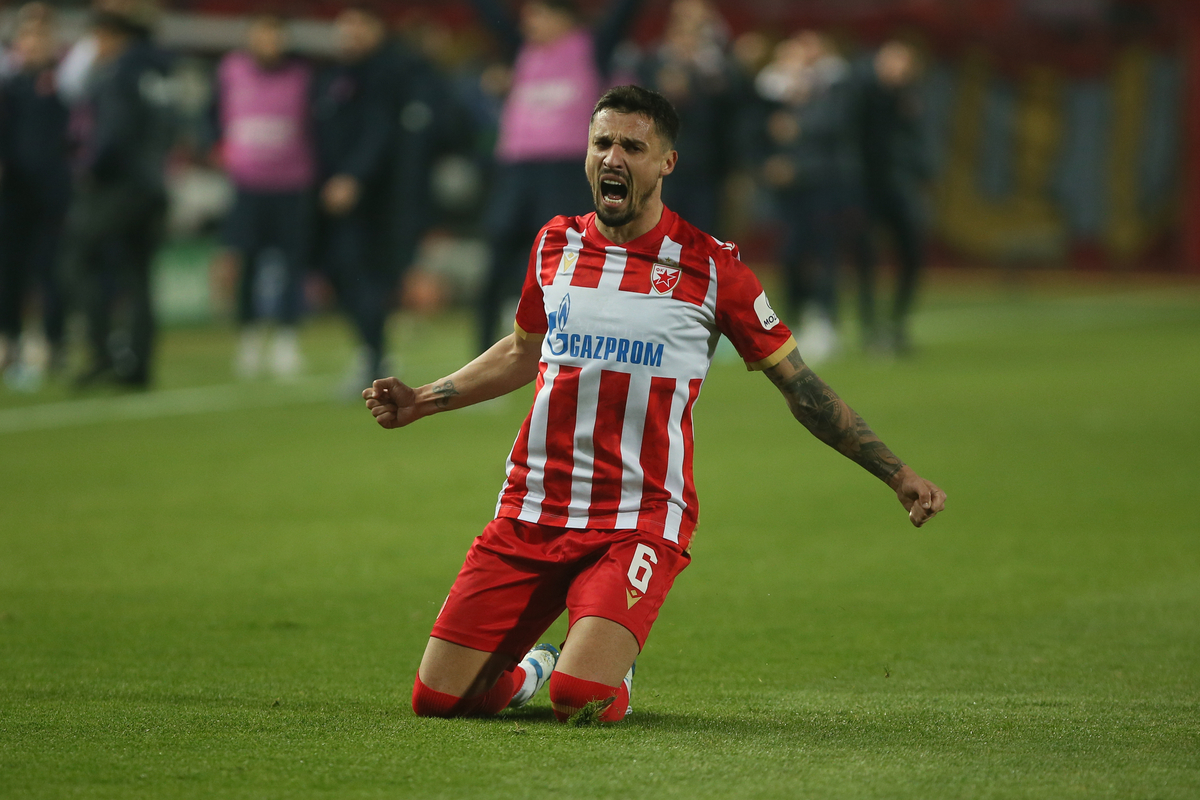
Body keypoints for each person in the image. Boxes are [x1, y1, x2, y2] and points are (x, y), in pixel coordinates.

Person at [362, 85, 946, 723]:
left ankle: (604, 666)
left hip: (639, 517)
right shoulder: (554, 245)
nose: (613, 158)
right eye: (602, 143)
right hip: (533, 507)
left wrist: (897, 473)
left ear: (666, 163)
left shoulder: (712, 267)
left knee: (581, 702)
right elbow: (522, 352)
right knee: (439, 701)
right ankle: (534, 667)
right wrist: (423, 399)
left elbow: (801, 389)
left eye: (632, 147)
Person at [468, 0, 645, 354]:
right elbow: (489, 15)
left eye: (538, 15)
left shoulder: (594, 47)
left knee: (565, 262)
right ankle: (484, 358)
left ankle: (579, 349)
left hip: (564, 171)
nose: (528, 23)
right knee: (497, 258)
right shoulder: (522, 51)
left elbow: (625, 13)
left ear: (563, 17)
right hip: (516, 169)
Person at [64, 9, 172, 388]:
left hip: (119, 188)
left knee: (78, 260)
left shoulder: (118, 73)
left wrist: (87, 169)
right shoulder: (157, 73)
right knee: (138, 276)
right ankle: (138, 366)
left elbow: (113, 134)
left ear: (112, 37)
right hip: (154, 186)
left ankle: (102, 352)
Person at [213, 13, 313, 380]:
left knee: (291, 265)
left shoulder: (302, 76)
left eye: (275, 36)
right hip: (246, 184)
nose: (269, 44)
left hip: (292, 183)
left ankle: (287, 341)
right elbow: (213, 116)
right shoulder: (231, 70)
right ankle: (249, 340)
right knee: (247, 263)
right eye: (262, 36)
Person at [756, 31, 861, 365]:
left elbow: (835, 126)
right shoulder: (771, 89)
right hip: (787, 189)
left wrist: (797, 130)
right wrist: (771, 164)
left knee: (824, 252)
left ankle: (825, 321)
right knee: (790, 253)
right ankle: (794, 319)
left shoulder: (834, 86)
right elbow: (755, 131)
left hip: (823, 185)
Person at [311, 5, 401, 390]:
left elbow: (380, 132)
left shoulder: (386, 74)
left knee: (359, 270)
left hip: (373, 198)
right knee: (336, 269)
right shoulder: (332, 76)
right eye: (344, 27)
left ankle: (374, 355)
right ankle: (372, 350)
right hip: (326, 193)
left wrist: (353, 176)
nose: (349, 34)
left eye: (358, 26)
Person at [0, 5, 71, 389]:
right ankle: (8, 339)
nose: (34, 42)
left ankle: (52, 342)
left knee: (52, 271)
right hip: (13, 194)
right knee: (9, 272)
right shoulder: (9, 86)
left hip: (54, 193)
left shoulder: (66, 84)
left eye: (42, 35)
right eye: (28, 35)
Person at [850, 40, 927, 355]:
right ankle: (870, 328)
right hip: (863, 187)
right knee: (865, 257)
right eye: (894, 62)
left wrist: (921, 174)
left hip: (894, 186)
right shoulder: (862, 93)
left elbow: (912, 143)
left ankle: (896, 322)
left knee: (911, 253)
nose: (898, 70)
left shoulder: (904, 99)